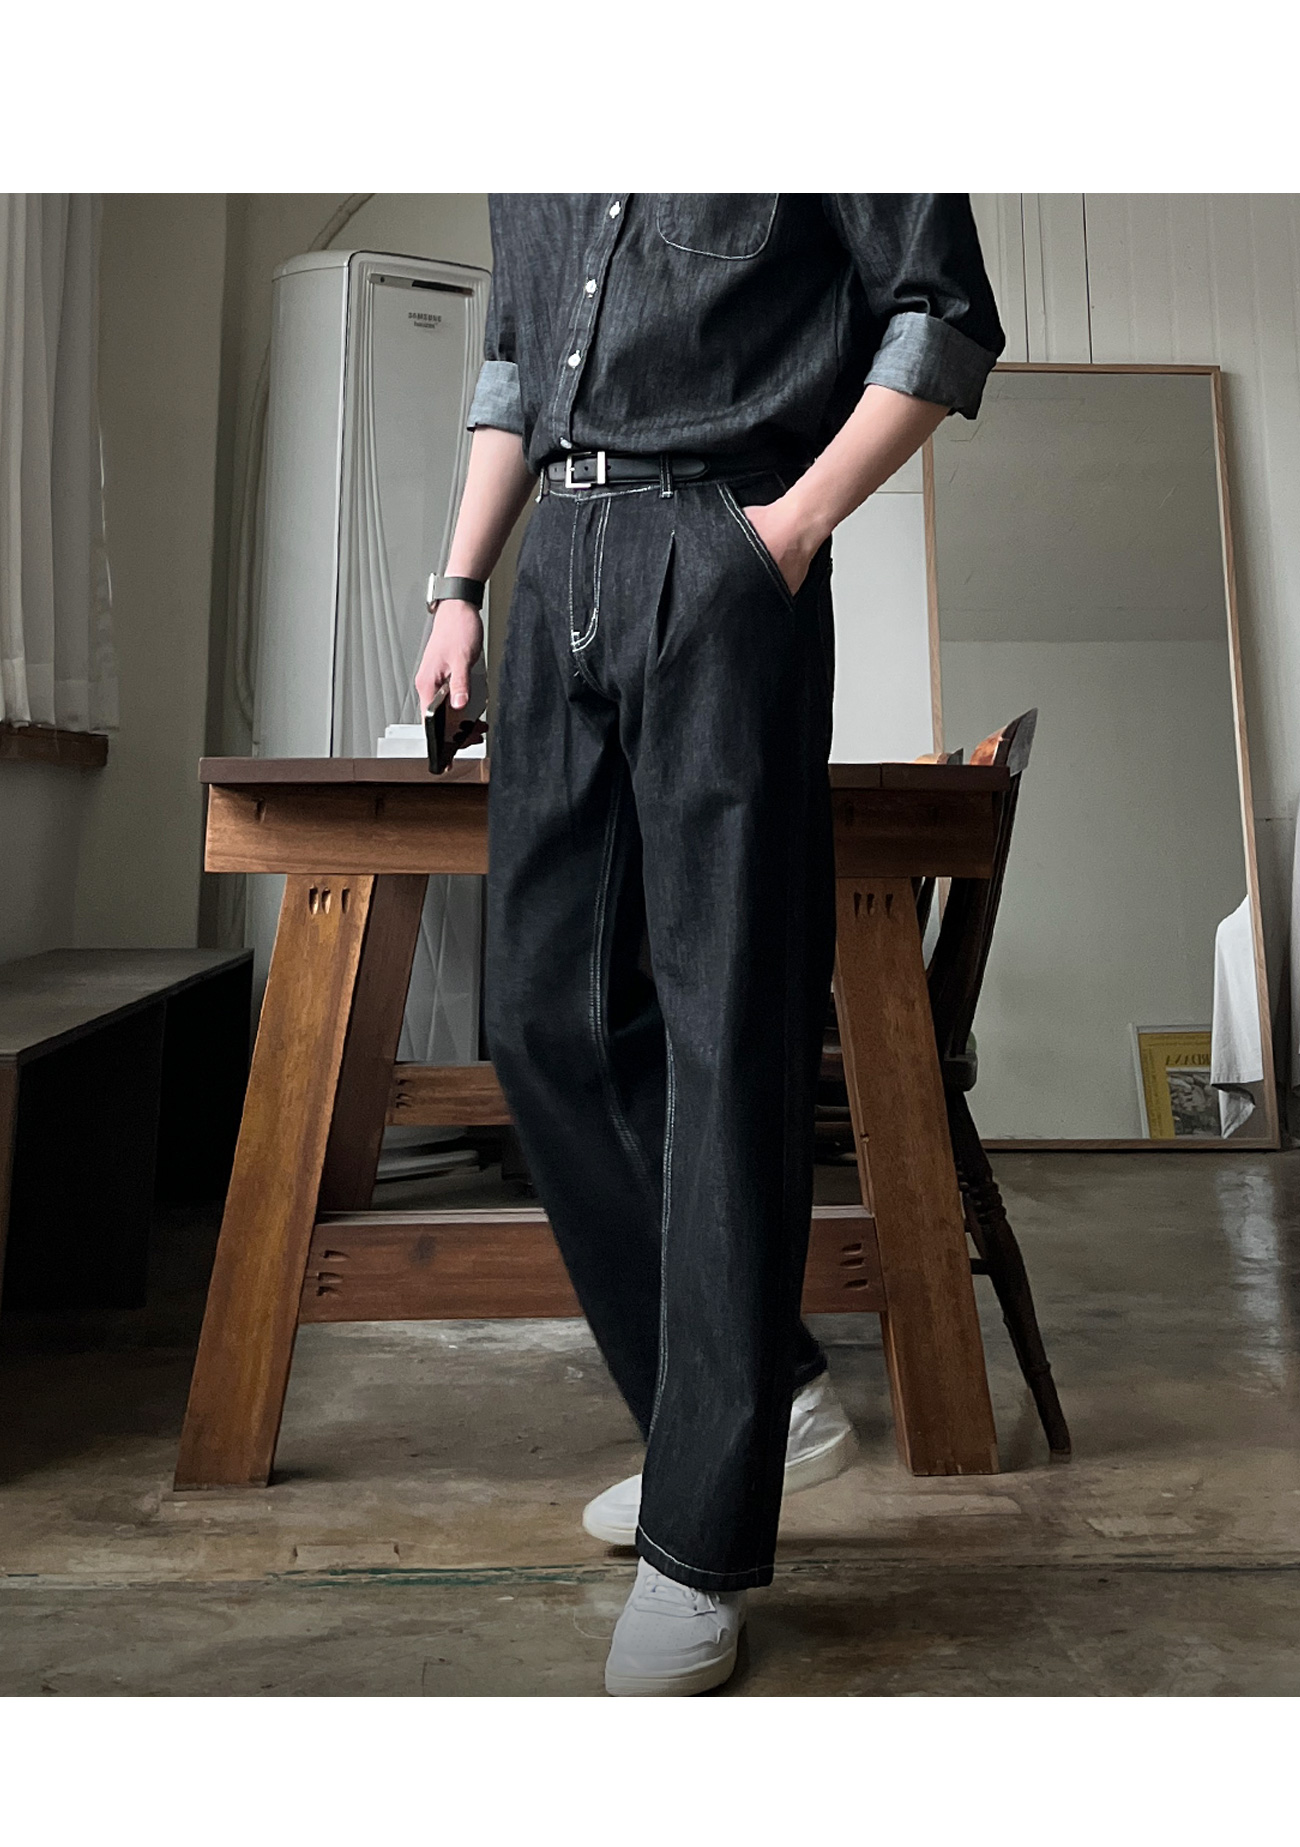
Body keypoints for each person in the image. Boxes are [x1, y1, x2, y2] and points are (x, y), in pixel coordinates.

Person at [416, 195, 1005, 1696]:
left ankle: (702, 1535)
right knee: (541, 1021)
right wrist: (461, 585)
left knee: (726, 1033)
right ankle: (762, 1400)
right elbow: (512, 368)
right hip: (557, 557)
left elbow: (942, 316)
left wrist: (786, 534)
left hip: (727, 540)